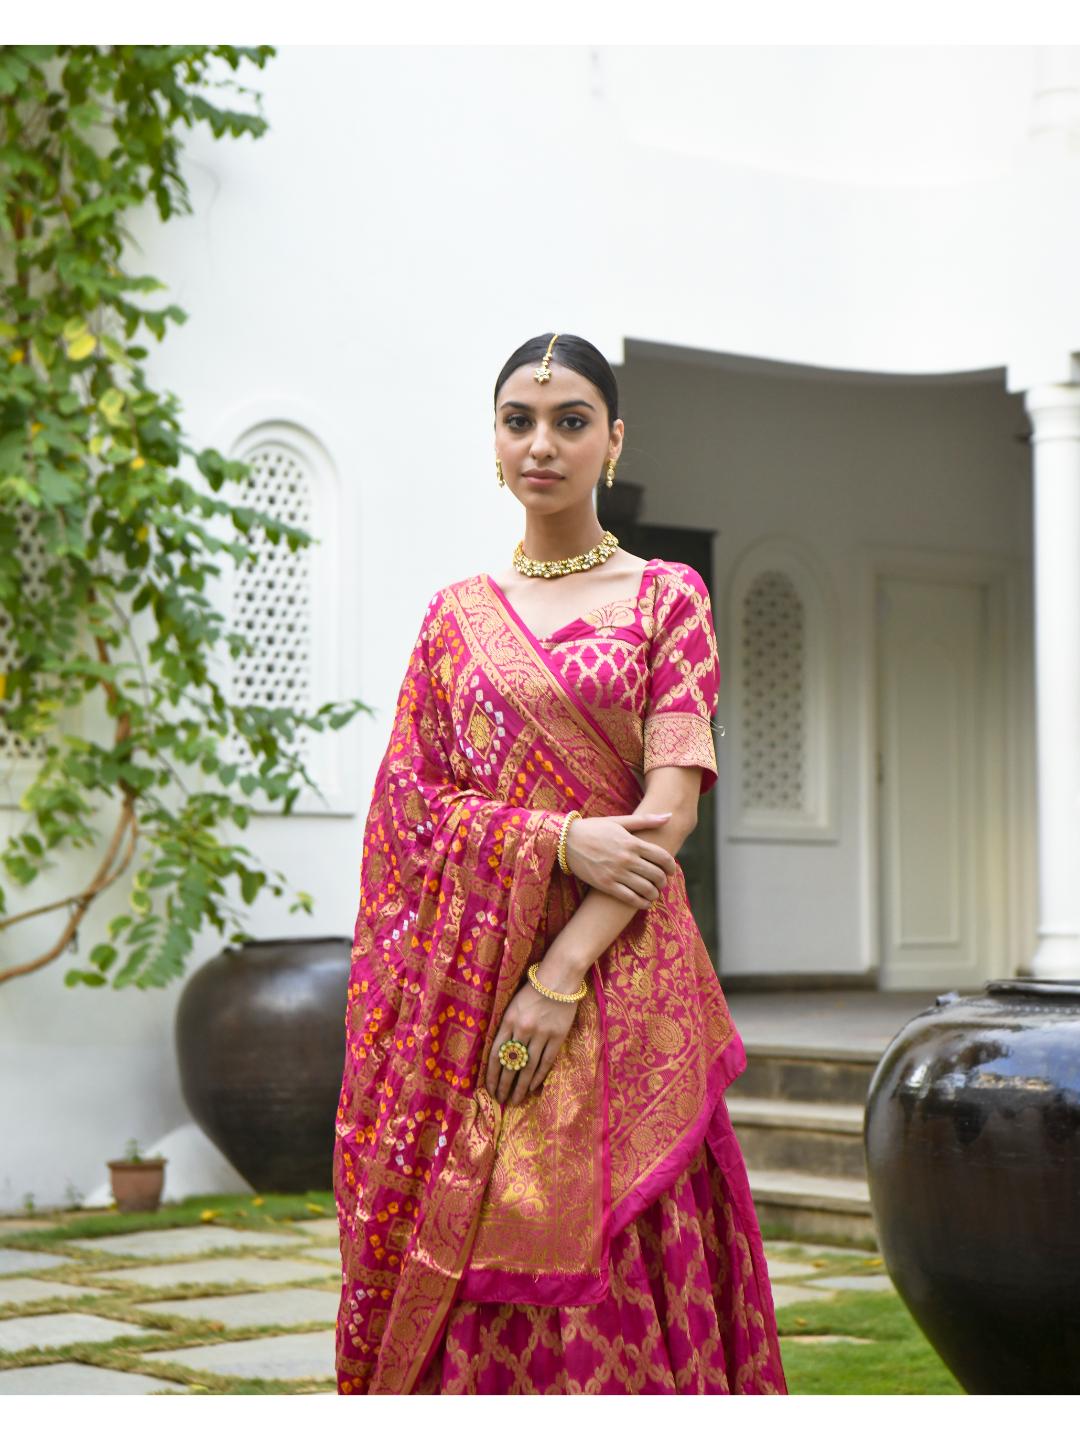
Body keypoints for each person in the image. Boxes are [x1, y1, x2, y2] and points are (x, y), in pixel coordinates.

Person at [334, 333, 786, 1396]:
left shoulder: (665, 598)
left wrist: (559, 974)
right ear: (494, 444)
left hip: (614, 975)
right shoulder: (454, 620)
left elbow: (668, 806)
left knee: (618, 1259)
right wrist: (553, 839)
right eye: (520, 422)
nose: (543, 443)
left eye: (571, 421)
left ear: (613, 442)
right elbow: (410, 806)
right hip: (464, 991)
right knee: (477, 1255)